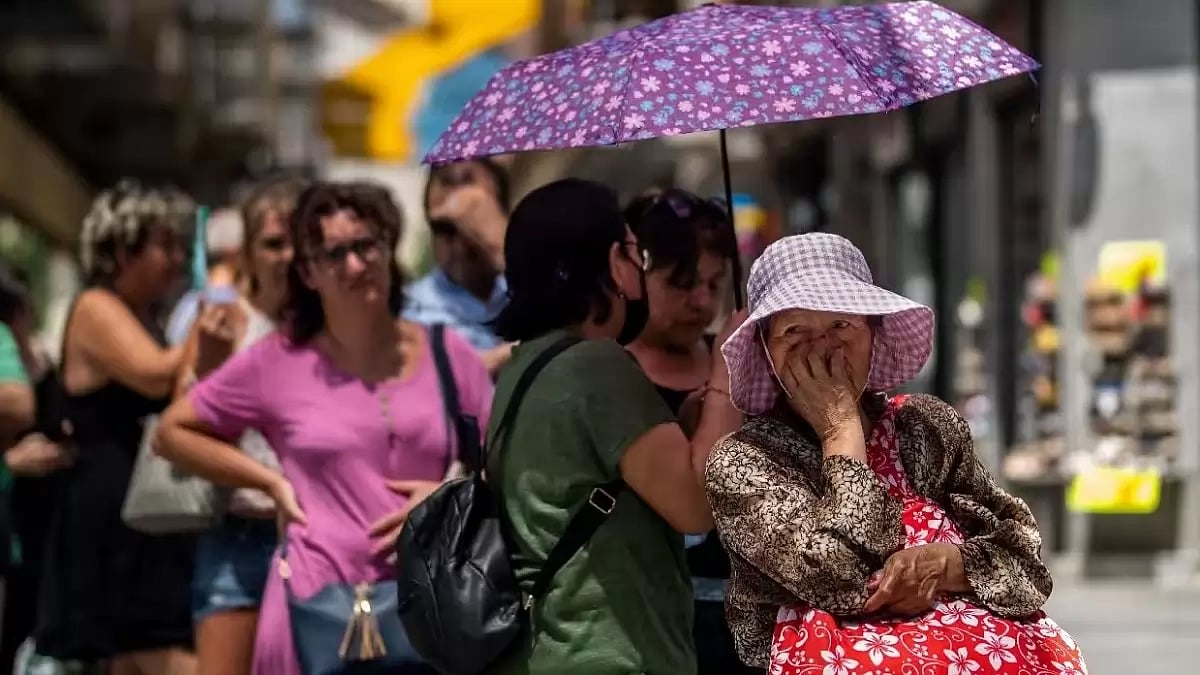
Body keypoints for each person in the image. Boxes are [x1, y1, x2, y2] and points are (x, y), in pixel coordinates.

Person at [706, 233, 1086, 672]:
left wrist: (948, 564)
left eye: (841, 326)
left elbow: (1025, 561)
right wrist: (839, 428)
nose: (822, 348)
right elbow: (839, 576)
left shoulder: (924, 426)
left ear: (873, 334)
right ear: (768, 354)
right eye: (795, 332)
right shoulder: (743, 462)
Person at [156, 181, 493, 675]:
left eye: (366, 245)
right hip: (308, 607)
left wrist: (449, 497)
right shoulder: (278, 362)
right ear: (309, 271)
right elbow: (172, 432)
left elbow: (507, 464)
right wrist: (268, 481)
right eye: (335, 253)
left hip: (430, 610)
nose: (356, 265)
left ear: (388, 246)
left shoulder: (449, 353)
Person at [485, 178, 745, 674]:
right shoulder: (597, 367)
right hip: (615, 654)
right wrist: (728, 367)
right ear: (612, 263)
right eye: (634, 254)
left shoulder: (527, 367)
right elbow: (694, 507)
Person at [35, 180, 196, 675]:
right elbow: (156, 375)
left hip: (135, 515)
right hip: (105, 518)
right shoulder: (95, 307)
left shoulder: (144, 314)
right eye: (164, 246)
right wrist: (213, 322)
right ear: (124, 250)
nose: (177, 260)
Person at [623, 188, 759, 675]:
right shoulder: (613, 376)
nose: (701, 301)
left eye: (715, 283)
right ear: (636, 273)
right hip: (652, 626)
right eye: (682, 283)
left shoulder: (744, 364)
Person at [176, 178, 302, 675]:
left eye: (298, 242)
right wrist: (206, 367)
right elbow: (178, 434)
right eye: (274, 244)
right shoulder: (221, 321)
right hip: (236, 536)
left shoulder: (330, 326)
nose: (288, 256)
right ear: (247, 253)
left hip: (311, 538)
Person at [405, 158, 514, 373]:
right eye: (444, 229)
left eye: (474, 221)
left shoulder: (528, 289)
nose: (458, 245)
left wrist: (499, 247)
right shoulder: (414, 308)